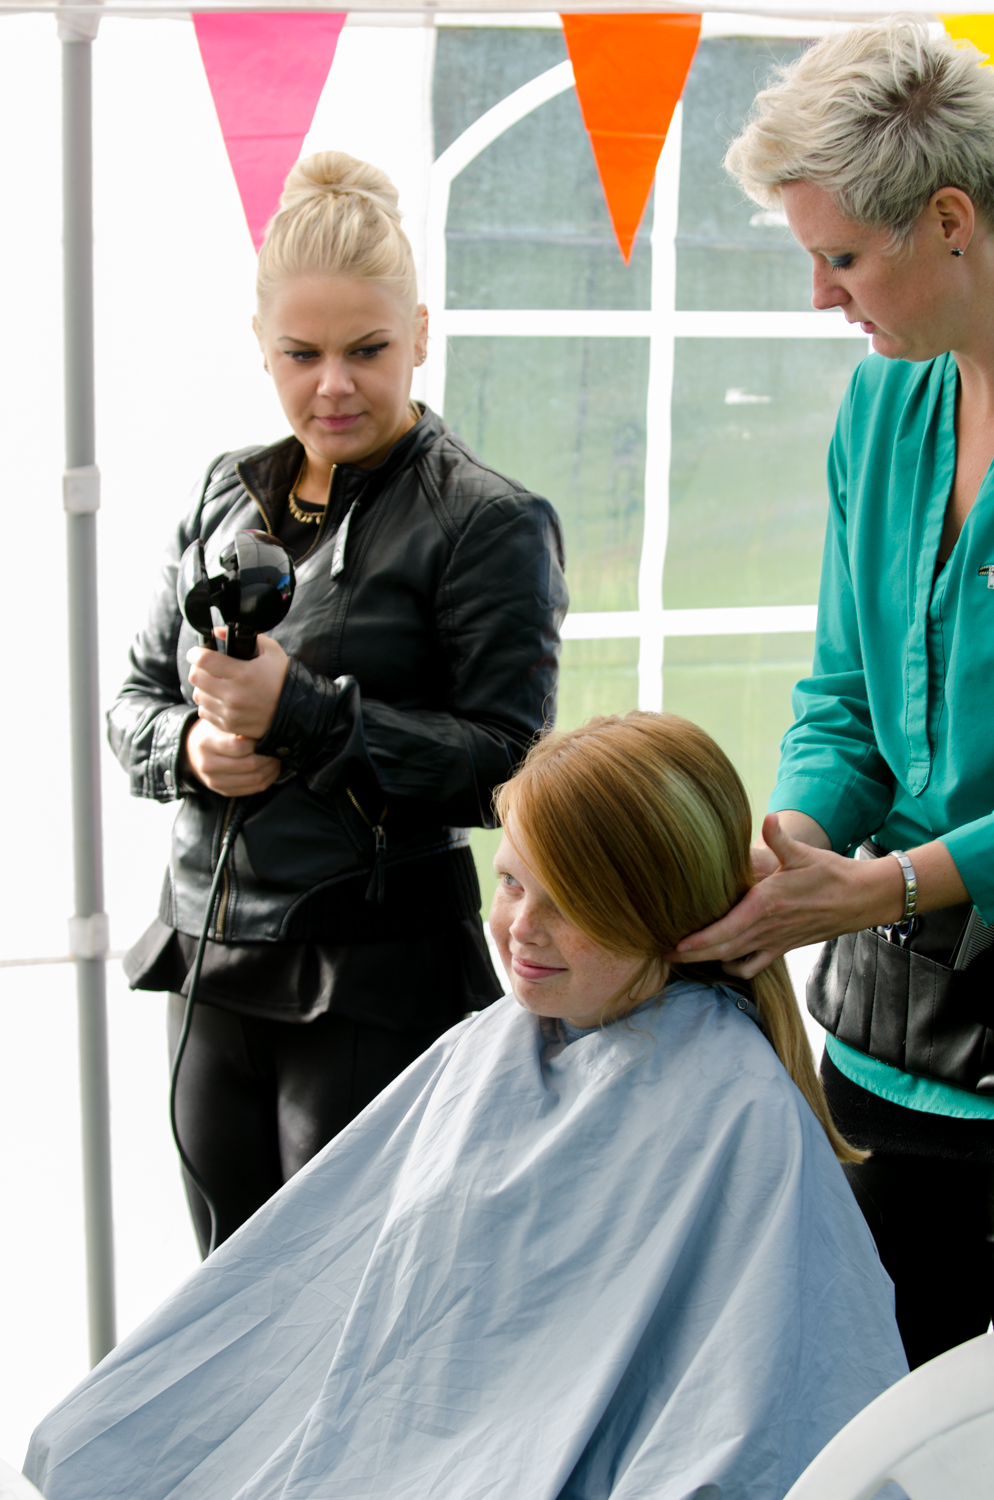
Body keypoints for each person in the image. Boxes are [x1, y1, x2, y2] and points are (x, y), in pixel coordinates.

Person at [25, 714, 907, 1500]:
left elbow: (748, 1417)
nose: (521, 928)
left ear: (664, 911)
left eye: (570, 905)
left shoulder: (734, 1108)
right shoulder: (491, 1045)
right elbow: (324, 1292)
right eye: (513, 882)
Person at [111, 149, 567, 1256]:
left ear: (421, 332)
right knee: (225, 1288)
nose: (333, 386)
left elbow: (508, 768)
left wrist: (302, 712)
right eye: (301, 354)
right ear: (259, 344)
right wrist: (192, 747)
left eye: (367, 350)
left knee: (355, 1295)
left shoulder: (487, 522)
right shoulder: (221, 492)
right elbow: (132, 700)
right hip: (207, 956)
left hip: (378, 972)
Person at [675, 19, 994, 1368]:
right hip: (877, 1057)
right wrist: (794, 844)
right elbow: (845, 700)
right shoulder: (881, 407)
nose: (818, 296)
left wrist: (887, 885)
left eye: (843, 259)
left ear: (948, 221)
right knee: (873, 1413)